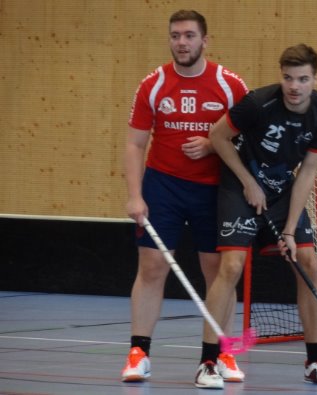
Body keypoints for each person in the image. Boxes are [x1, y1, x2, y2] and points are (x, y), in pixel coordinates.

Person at [194, 43, 317, 389]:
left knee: (308, 262)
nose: (294, 86)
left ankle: (315, 361)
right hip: (239, 185)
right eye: (288, 78)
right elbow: (217, 137)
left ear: (315, 80)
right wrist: (248, 182)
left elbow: (307, 172)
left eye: (303, 79)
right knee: (231, 266)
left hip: (282, 190)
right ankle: (208, 361)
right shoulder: (258, 103)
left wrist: (290, 231)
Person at [121, 9, 249, 383]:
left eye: (189, 36)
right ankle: (138, 353)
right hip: (163, 187)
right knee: (152, 267)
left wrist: (212, 145)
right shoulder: (153, 84)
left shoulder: (229, 85)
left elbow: (247, 136)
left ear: (205, 41)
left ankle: (222, 354)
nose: (182, 42)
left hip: (215, 190)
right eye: (176, 36)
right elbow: (134, 143)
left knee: (220, 274)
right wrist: (134, 196)